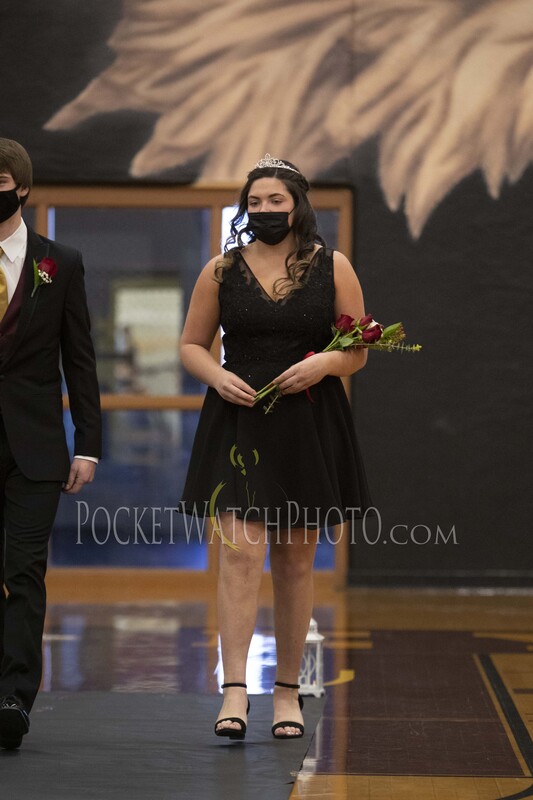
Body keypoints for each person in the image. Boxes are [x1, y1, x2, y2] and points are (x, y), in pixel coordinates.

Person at [179, 154, 371, 740]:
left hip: (308, 422)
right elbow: (191, 344)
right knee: (238, 557)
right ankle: (233, 690)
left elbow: (359, 348)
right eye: (254, 202)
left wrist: (323, 365)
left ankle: (287, 693)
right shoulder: (220, 269)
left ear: (297, 205)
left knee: (293, 560)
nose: (263, 211)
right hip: (239, 420)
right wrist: (215, 376)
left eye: (275, 201)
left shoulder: (333, 265)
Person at [0, 138, 101, 750]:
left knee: (24, 571)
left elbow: (79, 359)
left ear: (22, 187)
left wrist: (87, 443)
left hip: (36, 447)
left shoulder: (59, 262)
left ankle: (15, 697)